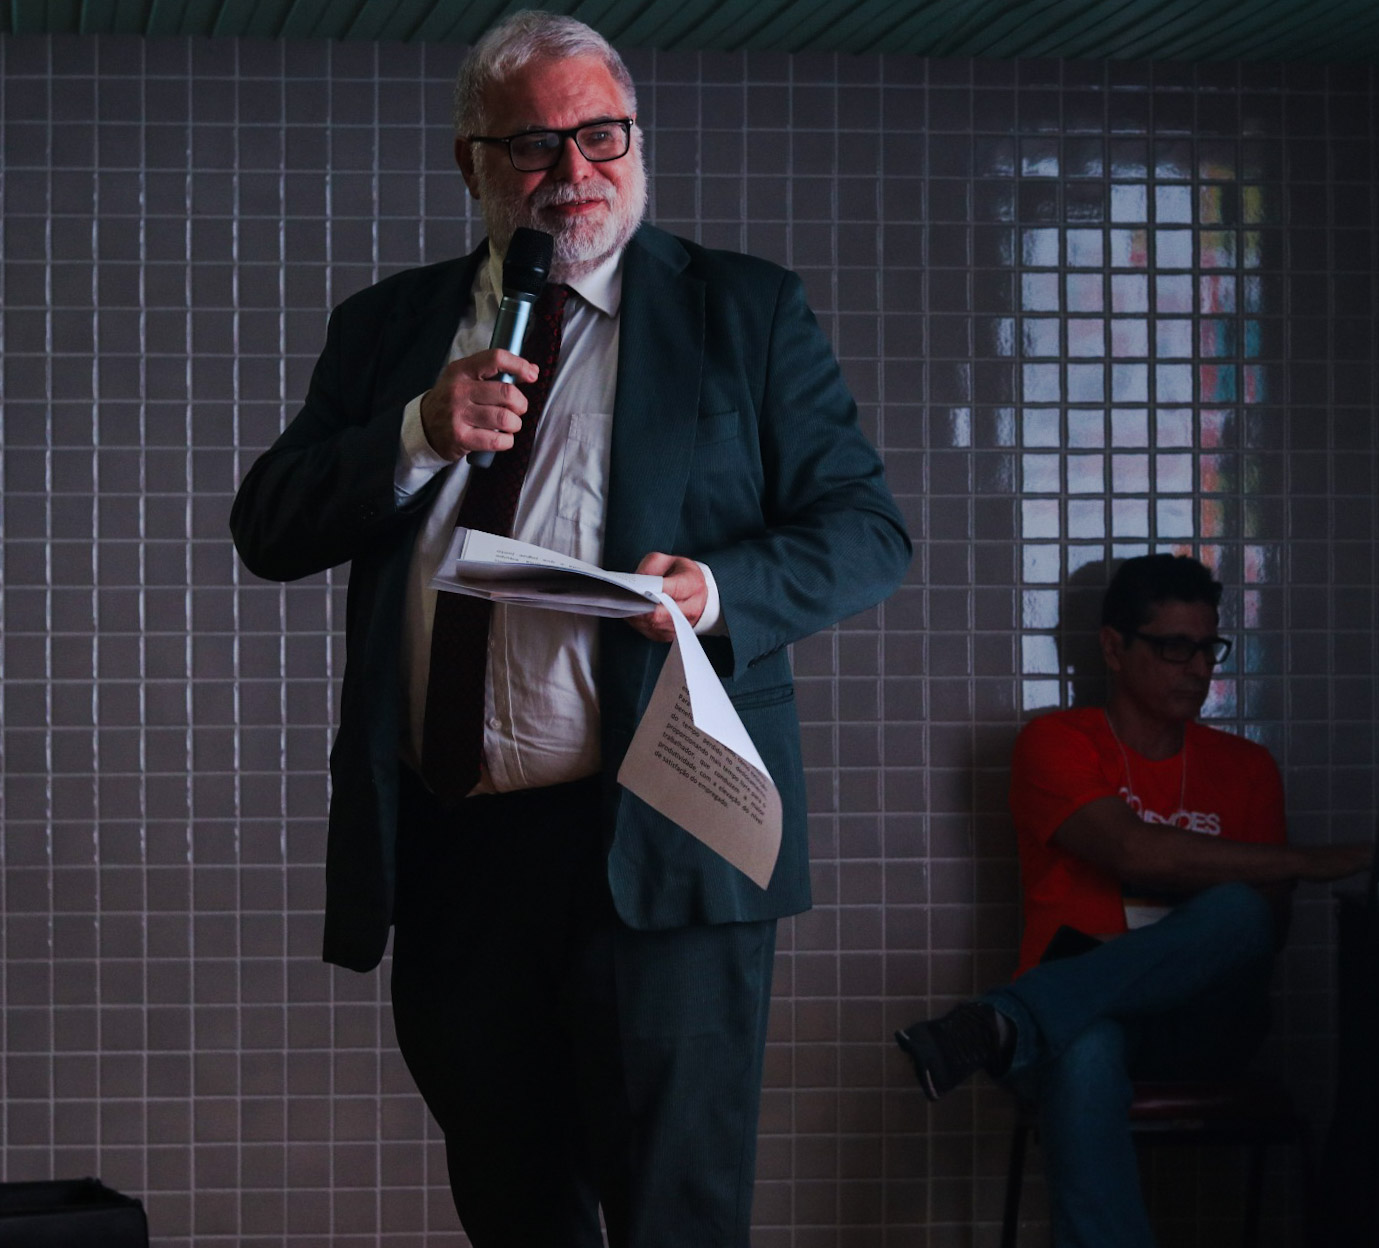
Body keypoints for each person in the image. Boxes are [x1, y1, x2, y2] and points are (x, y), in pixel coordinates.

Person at [229, 12, 910, 1247]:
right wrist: (416, 432)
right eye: (537, 145)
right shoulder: (389, 328)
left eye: (603, 136)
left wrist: (715, 593)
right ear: (473, 162)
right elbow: (268, 526)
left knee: (673, 1219)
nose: (576, 172)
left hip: (659, 842)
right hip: (455, 852)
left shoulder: (743, 311)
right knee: (515, 1211)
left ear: (636, 140)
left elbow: (868, 531)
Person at [895, 555, 1369, 1248]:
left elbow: (1267, 926)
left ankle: (1004, 1022)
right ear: (1114, 648)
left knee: (1240, 913)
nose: (1198, 668)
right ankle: (1035, 1020)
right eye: (1175, 647)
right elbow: (1131, 851)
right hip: (1081, 1029)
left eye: (1207, 647)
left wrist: (1237, 891)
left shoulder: (1247, 767)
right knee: (1087, 1044)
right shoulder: (1055, 743)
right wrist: (1307, 862)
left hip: (1204, 1023)